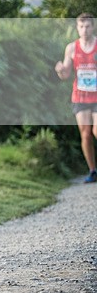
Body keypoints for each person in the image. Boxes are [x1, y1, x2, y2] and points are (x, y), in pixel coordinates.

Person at [55, 12, 97, 183]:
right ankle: (93, 171)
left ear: (93, 27)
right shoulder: (72, 48)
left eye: (87, 26)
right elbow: (65, 74)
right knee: (85, 134)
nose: (84, 30)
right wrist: (60, 70)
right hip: (80, 96)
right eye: (81, 26)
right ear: (77, 28)